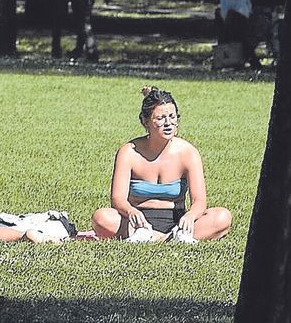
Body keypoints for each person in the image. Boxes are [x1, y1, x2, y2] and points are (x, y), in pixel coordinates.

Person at [91, 87, 232, 242]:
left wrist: (190, 216)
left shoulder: (188, 152)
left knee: (222, 217)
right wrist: (131, 211)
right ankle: (167, 239)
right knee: (101, 217)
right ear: (146, 122)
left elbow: (199, 201)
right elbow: (117, 199)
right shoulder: (129, 152)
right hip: (137, 223)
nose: (168, 123)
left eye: (172, 117)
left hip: (177, 221)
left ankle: (161, 237)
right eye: (160, 118)